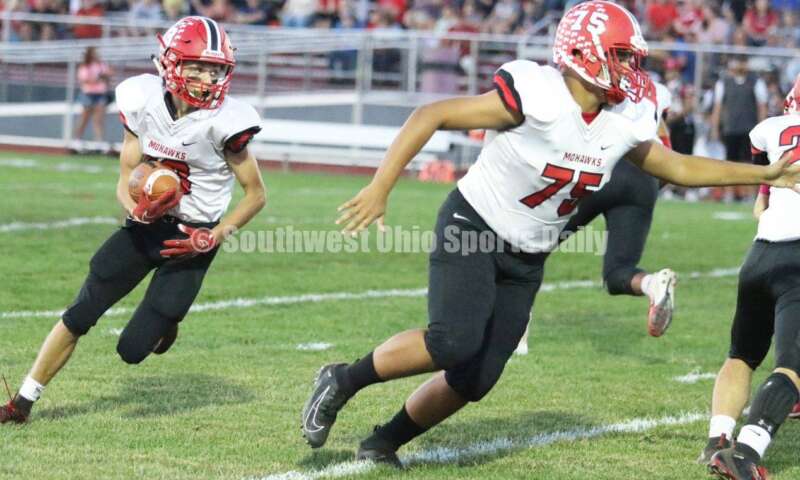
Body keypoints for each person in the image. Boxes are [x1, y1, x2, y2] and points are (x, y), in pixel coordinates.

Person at [298, 1, 800, 467]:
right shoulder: (537, 93)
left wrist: (764, 175)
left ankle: (383, 441)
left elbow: (676, 166)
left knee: (476, 378)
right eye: (621, 56)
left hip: (528, 255)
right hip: (474, 226)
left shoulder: (623, 119)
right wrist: (381, 186)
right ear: (584, 51)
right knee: (453, 341)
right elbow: (434, 113)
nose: (630, 69)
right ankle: (341, 380)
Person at [0, 16, 266, 424]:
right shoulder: (140, 99)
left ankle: (166, 323)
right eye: (196, 66)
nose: (206, 78)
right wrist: (133, 206)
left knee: (132, 350)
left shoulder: (226, 121)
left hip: (193, 238)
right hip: (146, 226)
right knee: (81, 311)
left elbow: (257, 194)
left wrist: (214, 236)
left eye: (214, 69)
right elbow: (126, 174)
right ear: (170, 63)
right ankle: (22, 402)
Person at [515, 80, 677, 356]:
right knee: (618, 273)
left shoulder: (598, 78)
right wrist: (646, 189)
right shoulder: (655, 89)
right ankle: (652, 284)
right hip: (644, 176)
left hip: (600, 165)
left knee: (531, 249)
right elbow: (665, 147)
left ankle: (516, 329)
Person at [701, 75, 800, 480]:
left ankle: (718, 438)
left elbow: (760, 206)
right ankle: (745, 451)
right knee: (791, 365)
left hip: (761, 253)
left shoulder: (773, 129)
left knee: (741, 354)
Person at [710, 55, 769, 202]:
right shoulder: (723, 82)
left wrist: (761, 128)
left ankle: (750, 195)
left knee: (750, 163)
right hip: (731, 128)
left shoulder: (755, 82)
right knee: (730, 161)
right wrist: (715, 128)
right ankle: (729, 194)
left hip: (750, 128)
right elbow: (718, 107)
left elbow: (762, 106)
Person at [74, 46, 113, 152]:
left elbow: (109, 75)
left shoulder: (101, 65)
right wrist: (96, 79)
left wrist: (104, 76)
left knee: (98, 119)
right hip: (88, 93)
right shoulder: (86, 66)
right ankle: (77, 139)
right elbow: (84, 79)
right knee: (84, 118)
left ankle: (99, 141)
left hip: (100, 93)